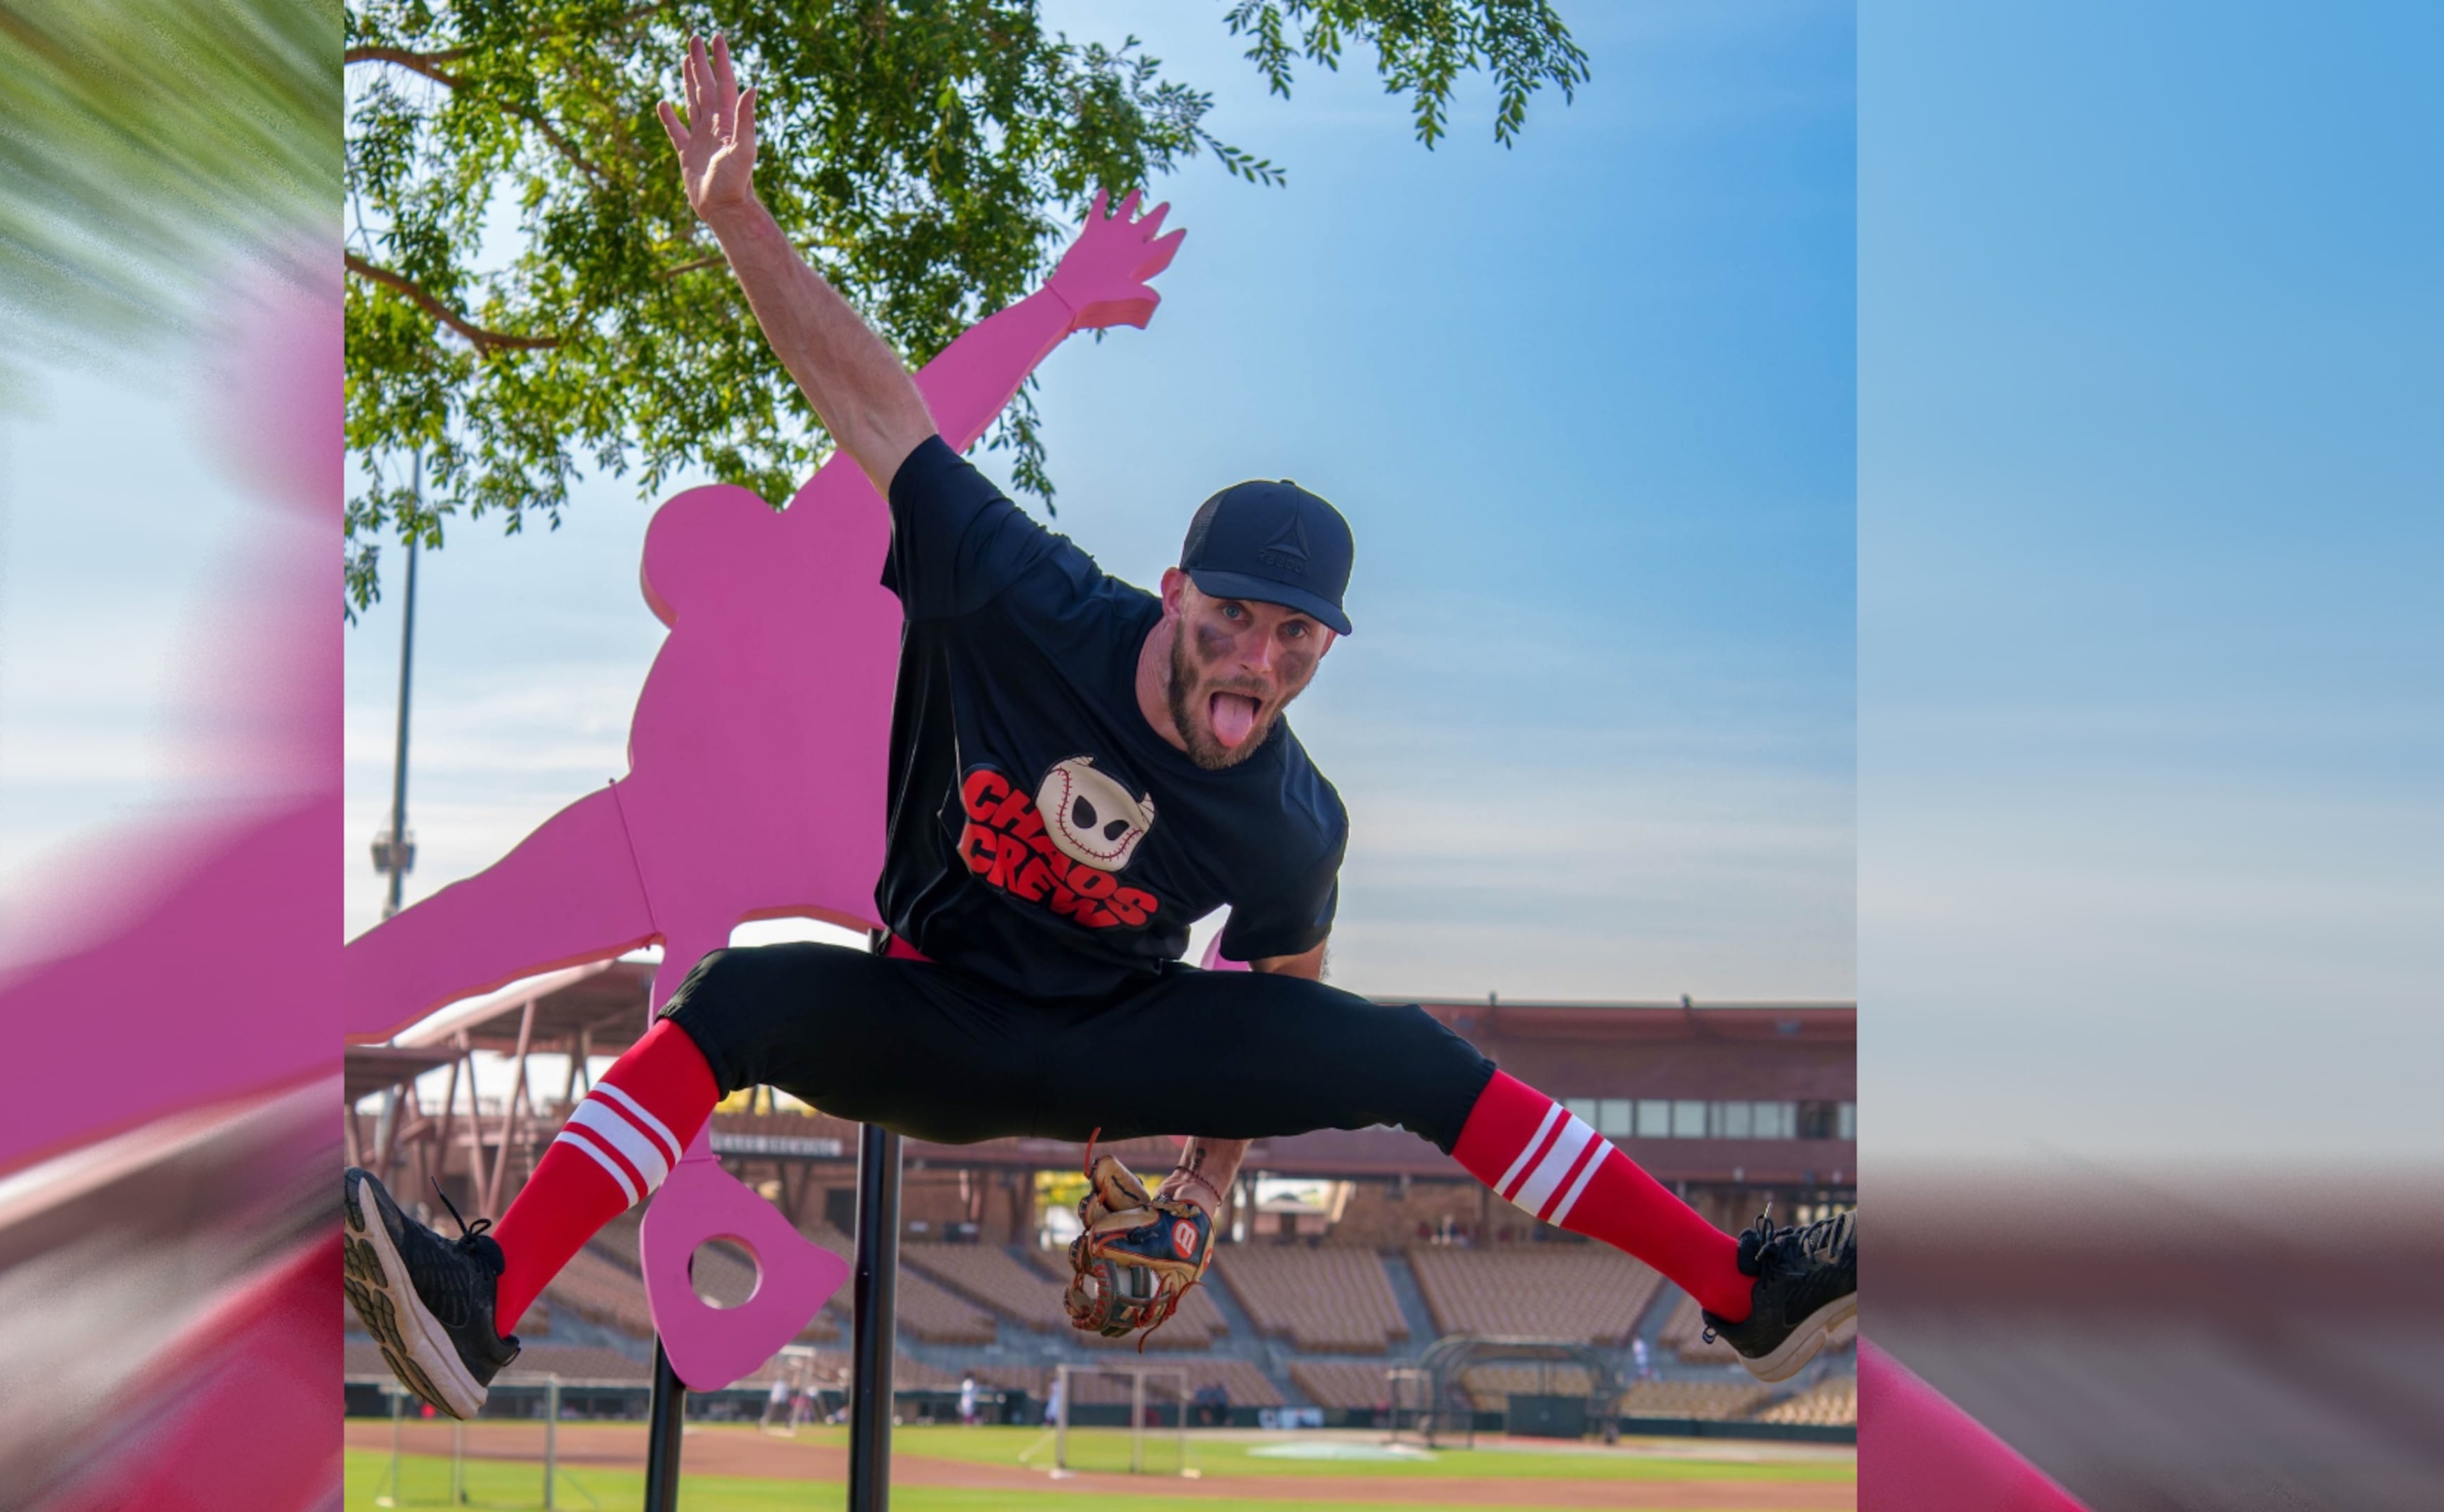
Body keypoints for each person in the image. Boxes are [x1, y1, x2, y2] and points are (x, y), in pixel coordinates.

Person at [342, 33, 1855, 1422]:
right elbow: (874, 406)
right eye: (1235, 618)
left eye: (1296, 638)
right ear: (1172, 591)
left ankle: (1748, 1295)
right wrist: (736, 217)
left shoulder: (1293, 818)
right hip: (937, 1014)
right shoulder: (1024, 597)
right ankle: (484, 1300)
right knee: (730, 1000)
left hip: (1130, 1040)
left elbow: (1278, 1000)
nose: (1257, 660)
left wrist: (1204, 1187)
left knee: (1408, 1054)